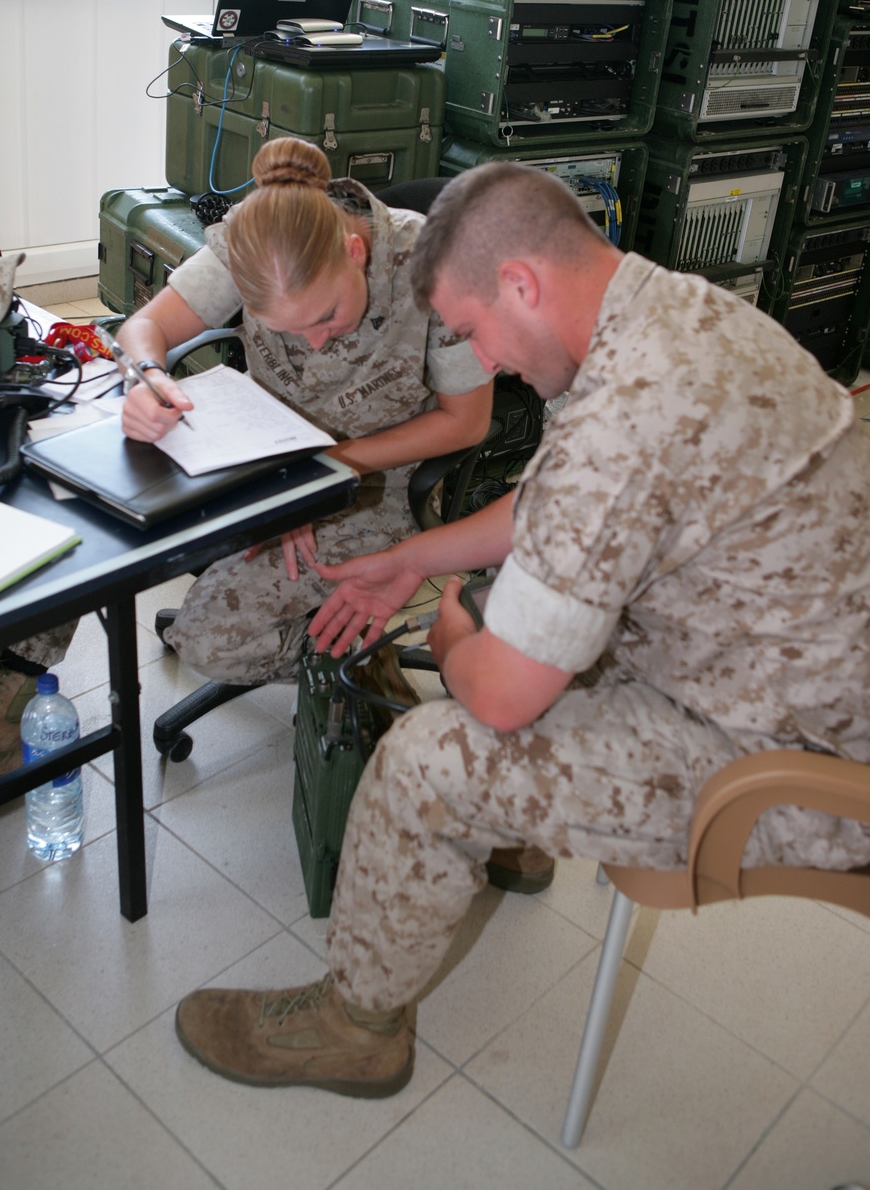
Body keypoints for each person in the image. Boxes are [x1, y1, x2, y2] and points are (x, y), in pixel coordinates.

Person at [171, 162, 870, 1099]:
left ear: (522, 285)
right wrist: (421, 562)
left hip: (805, 763)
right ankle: (520, 835)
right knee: (517, 611)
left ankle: (357, 1025)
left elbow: (498, 690)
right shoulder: (671, 314)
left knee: (430, 758)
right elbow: (556, 501)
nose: (483, 362)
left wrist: (457, 636)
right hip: (794, 662)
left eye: (471, 331)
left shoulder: (621, 419)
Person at [0, 139, 493, 827]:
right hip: (250, 460)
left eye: (327, 319)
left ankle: (352, 659)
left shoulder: (434, 265)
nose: (316, 342)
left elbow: (465, 423)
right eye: (289, 331)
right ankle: (2, 725)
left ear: (355, 255)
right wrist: (148, 380)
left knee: (210, 642)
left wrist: (318, 472)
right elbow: (146, 327)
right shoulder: (255, 240)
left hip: (367, 490)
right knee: (74, 528)